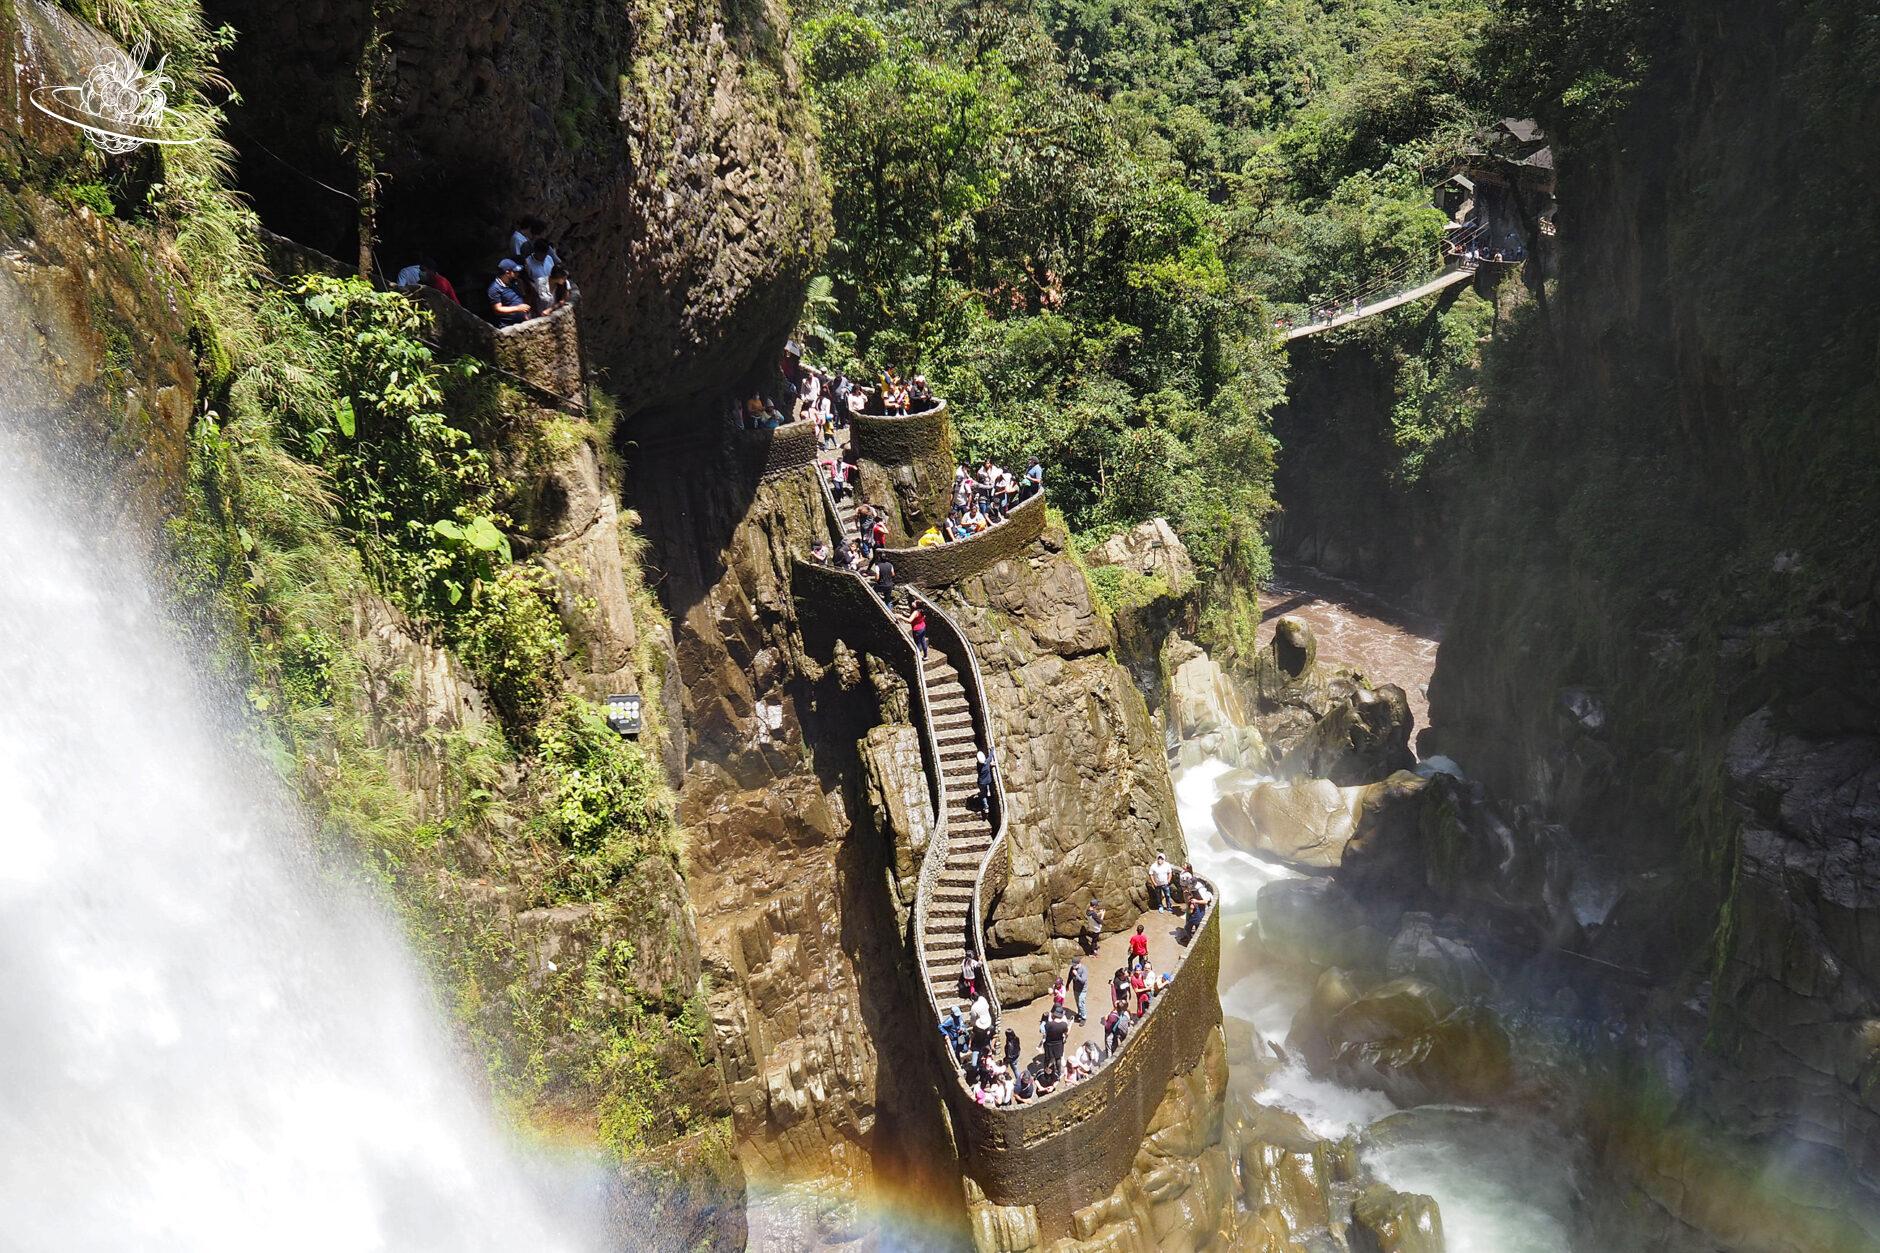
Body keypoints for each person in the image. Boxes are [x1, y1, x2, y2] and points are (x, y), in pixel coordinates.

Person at [488, 259, 532, 326]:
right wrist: (518, 308)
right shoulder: (494, 288)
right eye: (515, 271)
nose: (518, 273)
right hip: (508, 326)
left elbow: (519, 299)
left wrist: (525, 315)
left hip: (522, 322)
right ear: (507, 273)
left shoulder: (514, 282)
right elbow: (497, 310)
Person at [1180, 877, 1214, 945]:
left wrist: (1196, 901)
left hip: (1199, 909)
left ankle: (1190, 941)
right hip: (1195, 907)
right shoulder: (1192, 887)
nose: (1189, 886)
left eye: (1190, 884)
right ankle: (1191, 939)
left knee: (1190, 926)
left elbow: (1205, 901)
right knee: (1194, 926)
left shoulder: (1200, 890)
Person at [1042, 1007, 1071, 1081]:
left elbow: (1045, 1032)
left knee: (1047, 1059)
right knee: (1058, 1058)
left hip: (1049, 1044)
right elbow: (1066, 1033)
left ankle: (1046, 1073)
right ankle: (1058, 1072)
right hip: (1059, 1044)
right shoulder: (1064, 1025)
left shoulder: (1049, 1024)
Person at [1067, 956, 1089, 1024]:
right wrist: (1067, 985)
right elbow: (1070, 976)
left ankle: (1084, 1017)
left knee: (1081, 1003)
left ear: (1079, 963)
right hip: (1075, 988)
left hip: (1082, 990)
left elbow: (1083, 981)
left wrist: (1076, 974)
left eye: (1075, 965)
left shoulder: (1083, 969)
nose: (1073, 966)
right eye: (1072, 965)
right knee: (1077, 1002)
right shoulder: (1072, 968)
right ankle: (1079, 1014)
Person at [975, 748, 994, 814]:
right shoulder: (987, 762)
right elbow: (990, 756)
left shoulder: (978, 765)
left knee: (983, 795)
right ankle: (988, 792)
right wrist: (992, 750)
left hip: (981, 782)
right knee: (986, 788)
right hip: (988, 780)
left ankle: (986, 807)